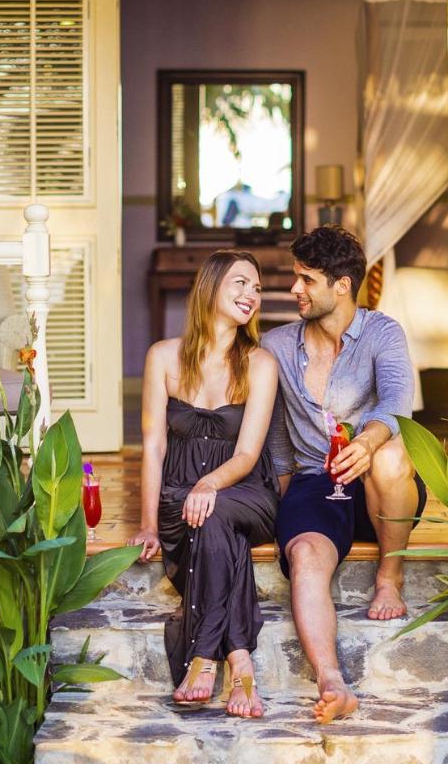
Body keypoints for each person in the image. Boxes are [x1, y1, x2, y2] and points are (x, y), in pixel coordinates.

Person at [261, 226, 427, 724]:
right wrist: (282, 510)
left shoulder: (382, 332)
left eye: (306, 280)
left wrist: (367, 441)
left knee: (392, 455)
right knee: (307, 553)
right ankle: (332, 681)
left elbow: (399, 404)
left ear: (342, 285)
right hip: (316, 480)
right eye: (296, 278)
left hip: (377, 481)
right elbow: (274, 439)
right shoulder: (275, 346)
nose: (295, 290)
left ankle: (389, 577)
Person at [130, 250, 281, 718]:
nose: (250, 295)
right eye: (240, 283)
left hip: (246, 491)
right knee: (215, 530)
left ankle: (201, 657)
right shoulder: (163, 356)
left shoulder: (260, 364)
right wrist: (149, 524)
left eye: (256, 288)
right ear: (210, 287)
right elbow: (154, 446)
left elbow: (248, 454)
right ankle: (239, 660)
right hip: (180, 494)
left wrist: (209, 485)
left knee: (215, 513)